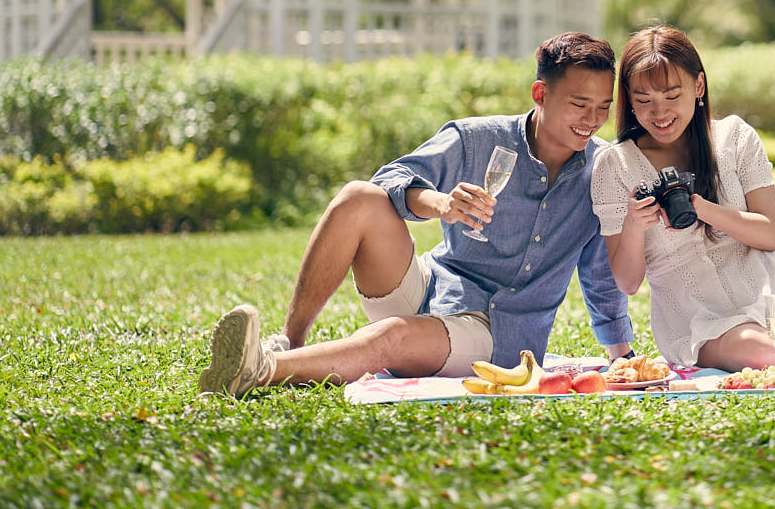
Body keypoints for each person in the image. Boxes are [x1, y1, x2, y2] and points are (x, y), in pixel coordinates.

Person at [198, 32, 635, 397]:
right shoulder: (477, 138)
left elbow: (601, 275)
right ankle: (290, 339)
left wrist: (623, 356)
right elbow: (394, 177)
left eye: (603, 107)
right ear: (541, 93)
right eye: (580, 104)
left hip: (498, 332)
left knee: (392, 337)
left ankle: (260, 369)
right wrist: (439, 204)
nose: (592, 119)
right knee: (358, 197)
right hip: (432, 288)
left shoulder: (603, 172)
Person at [590, 24, 775, 372]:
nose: (660, 113)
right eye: (644, 101)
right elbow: (627, 283)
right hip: (697, 314)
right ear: (628, 98)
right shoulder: (615, 164)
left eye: (672, 96)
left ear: (698, 86)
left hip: (770, 282)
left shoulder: (734, 137)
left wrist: (701, 207)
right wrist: (634, 225)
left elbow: (769, 235)